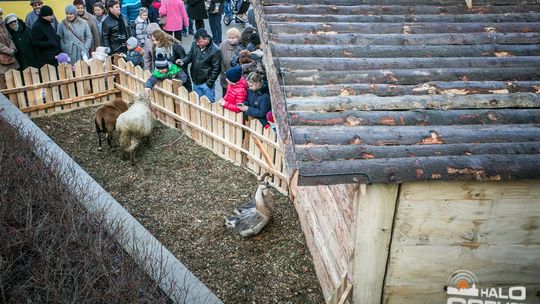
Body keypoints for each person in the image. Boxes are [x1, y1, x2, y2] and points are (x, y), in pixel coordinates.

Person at [180, 28, 221, 101]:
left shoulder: (215, 51)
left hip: (206, 83)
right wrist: (183, 61)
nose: (197, 44)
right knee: (198, 103)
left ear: (206, 39)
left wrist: (209, 83)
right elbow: (190, 55)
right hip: (196, 81)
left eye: (199, 42)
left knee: (209, 104)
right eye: (196, 42)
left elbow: (216, 69)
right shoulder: (195, 44)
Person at [0, 9, 20, 89]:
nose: (0, 17)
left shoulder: (3, 24)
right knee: (3, 86)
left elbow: (9, 37)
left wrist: (13, 48)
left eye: (0, 15)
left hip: (11, 58)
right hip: (2, 62)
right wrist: (8, 51)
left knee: (15, 83)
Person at [218, 27, 240, 95]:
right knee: (225, 95)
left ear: (238, 38)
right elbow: (218, 58)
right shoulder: (223, 44)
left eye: (233, 38)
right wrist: (222, 70)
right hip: (225, 76)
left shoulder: (241, 46)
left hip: (237, 78)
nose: (231, 40)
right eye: (229, 38)